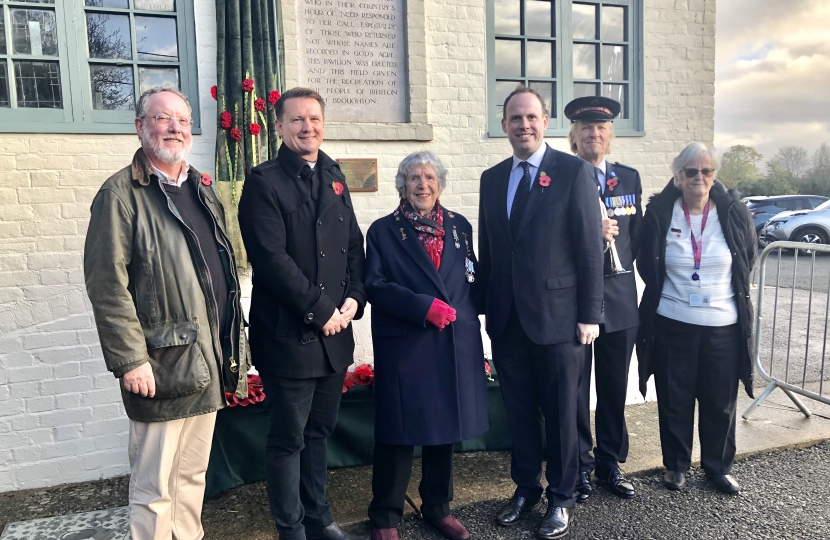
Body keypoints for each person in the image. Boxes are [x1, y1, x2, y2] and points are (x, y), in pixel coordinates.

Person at [84, 87, 249, 540]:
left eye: (182, 119)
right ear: (140, 127)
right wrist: (130, 359)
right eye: (162, 118)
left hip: (204, 358)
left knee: (192, 475)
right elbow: (107, 284)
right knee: (154, 485)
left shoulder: (200, 188)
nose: (174, 128)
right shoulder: (120, 194)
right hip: (159, 364)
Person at [237, 87, 368, 540]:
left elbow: (353, 242)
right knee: (289, 439)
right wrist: (320, 309)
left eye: (314, 119)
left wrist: (356, 296)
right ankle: (290, 529)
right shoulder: (263, 181)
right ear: (278, 126)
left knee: (319, 434)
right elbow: (271, 261)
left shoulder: (333, 173)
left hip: (335, 336)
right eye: (296, 120)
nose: (307, 127)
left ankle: (320, 519)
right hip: (290, 336)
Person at [478, 86, 604, 539]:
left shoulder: (572, 172)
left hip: (560, 320)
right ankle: (526, 488)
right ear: (504, 124)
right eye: (515, 118)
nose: (523, 125)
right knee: (519, 411)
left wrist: (590, 314)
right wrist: (483, 309)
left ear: (545, 121)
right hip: (508, 321)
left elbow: (589, 249)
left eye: (531, 117)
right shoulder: (492, 179)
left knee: (562, 412)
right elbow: (488, 253)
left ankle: (562, 497)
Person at [364, 151, 489, 540]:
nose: (423, 184)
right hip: (407, 343)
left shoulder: (459, 226)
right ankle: (384, 516)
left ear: (440, 183)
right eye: (414, 178)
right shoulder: (384, 231)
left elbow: (472, 278)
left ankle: (437, 507)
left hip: (453, 341)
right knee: (398, 433)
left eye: (430, 177)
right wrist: (423, 307)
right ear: (403, 185)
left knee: (443, 430)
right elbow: (375, 286)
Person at [636, 142, 757, 494]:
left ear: (714, 176)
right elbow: (647, 263)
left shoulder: (733, 212)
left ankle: (718, 467)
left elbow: (746, 258)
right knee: (675, 397)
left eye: (706, 171)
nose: (699, 178)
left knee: (720, 401)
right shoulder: (661, 214)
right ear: (678, 177)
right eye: (691, 171)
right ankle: (675, 466)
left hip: (724, 325)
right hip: (673, 321)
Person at [564, 96, 641, 502]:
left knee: (613, 388)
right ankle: (580, 466)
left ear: (610, 136)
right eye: (586, 128)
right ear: (573, 136)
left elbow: (638, 241)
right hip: (577, 302)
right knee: (576, 390)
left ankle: (611, 462)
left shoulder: (628, 179)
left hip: (620, 301)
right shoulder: (562, 176)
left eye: (601, 129)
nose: (594, 134)